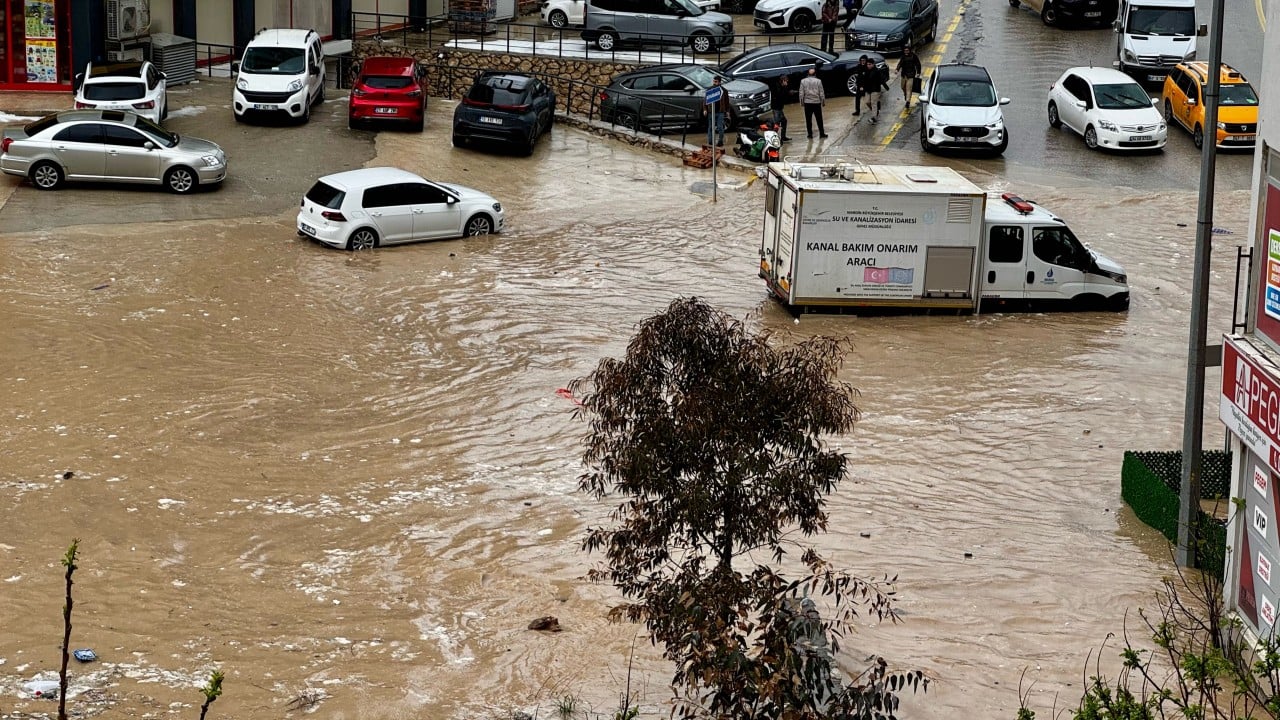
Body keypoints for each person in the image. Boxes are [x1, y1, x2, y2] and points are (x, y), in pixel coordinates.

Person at [798, 65, 827, 138]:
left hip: (807, 103)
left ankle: (810, 134)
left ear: (808, 74)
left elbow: (801, 93)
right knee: (819, 119)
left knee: (808, 120)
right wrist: (823, 102)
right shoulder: (818, 81)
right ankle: (822, 133)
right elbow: (821, 92)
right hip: (816, 102)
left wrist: (801, 103)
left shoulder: (803, 81)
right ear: (815, 74)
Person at [704, 75, 730, 147]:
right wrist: (705, 109)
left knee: (720, 127)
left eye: (716, 82)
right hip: (710, 111)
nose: (714, 83)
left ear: (719, 82)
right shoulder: (709, 90)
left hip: (720, 112)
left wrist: (727, 112)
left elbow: (727, 102)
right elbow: (705, 100)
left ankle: (720, 141)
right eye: (714, 81)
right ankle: (710, 142)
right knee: (710, 127)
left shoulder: (724, 91)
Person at [862, 56, 889, 123]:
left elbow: (882, 80)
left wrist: (886, 87)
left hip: (875, 90)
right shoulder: (866, 71)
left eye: (870, 64)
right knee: (867, 102)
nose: (868, 66)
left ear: (873, 64)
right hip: (868, 90)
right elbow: (864, 80)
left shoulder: (877, 71)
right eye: (867, 64)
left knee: (873, 103)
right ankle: (875, 111)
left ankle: (874, 117)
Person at [897, 44, 923, 108]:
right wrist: (897, 69)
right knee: (903, 87)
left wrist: (918, 72)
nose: (906, 51)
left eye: (907, 50)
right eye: (905, 50)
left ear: (909, 50)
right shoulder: (903, 56)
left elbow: (918, 64)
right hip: (904, 75)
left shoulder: (914, 56)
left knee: (909, 88)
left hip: (911, 75)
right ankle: (906, 95)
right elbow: (900, 63)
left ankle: (908, 101)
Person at [770, 75, 793, 141]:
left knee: (783, 121)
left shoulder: (781, 86)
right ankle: (774, 138)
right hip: (776, 108)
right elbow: (780, 95)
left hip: (779, 107)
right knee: (777, 123)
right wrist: (785, 88)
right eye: (786, 81)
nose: (787, 83)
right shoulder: (777, 87)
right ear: (783, 81)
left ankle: (783, 137)